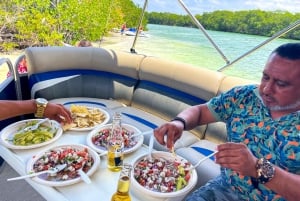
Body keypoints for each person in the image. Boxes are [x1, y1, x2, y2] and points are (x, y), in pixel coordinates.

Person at [154, 43, 300, 201]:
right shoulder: (244, 96)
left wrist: (257, 167)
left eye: (281, 84)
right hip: (224, 189)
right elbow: (200, 111)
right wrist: (179, 122)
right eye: (265, 77)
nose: (266, 89)